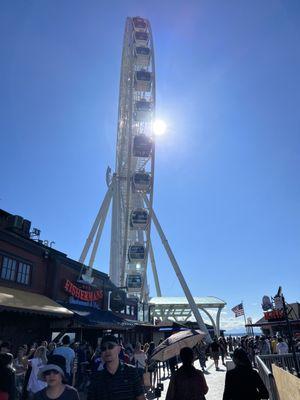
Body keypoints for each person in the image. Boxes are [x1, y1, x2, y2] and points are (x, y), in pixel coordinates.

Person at [87, 334, 145, 400]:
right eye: (103, 348)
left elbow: (141, 398)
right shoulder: (96, 378)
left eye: (110, 347)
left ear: (119, 349)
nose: (107, 350)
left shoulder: (131, 372)